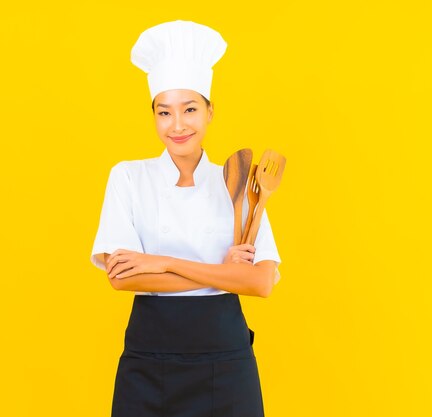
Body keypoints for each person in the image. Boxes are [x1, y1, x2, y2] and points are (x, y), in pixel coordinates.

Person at [90, 20, 282, 417]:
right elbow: (122, 277)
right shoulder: (128, 177)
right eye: (165, 112)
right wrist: (222, 273)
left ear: (210, 111)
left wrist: (162, 262)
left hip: (226, 363)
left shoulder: (239, 181)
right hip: (148, 362)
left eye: (190, 109)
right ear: (154, 116)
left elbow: (261, 282)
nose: (178, 125)